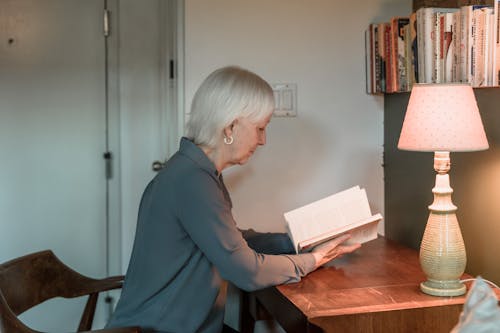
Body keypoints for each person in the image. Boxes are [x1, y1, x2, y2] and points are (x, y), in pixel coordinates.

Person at [106, 66, 361, 333]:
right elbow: (246, 270)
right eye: (260, 128)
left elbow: (228, 240)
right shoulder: (193, 180)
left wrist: (295, 241)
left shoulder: (197, 171)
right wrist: (313, 260)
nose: (263, 140)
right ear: (230, 126)